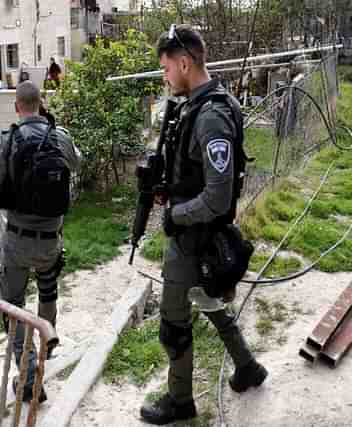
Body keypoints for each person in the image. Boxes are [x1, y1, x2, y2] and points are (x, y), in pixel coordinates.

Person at [139, 25, 268, 425]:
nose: (164, 76)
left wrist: (175, 214)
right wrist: (169, 189)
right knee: (207, 301)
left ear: (184, 62)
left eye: (165, 68)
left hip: (194, 237)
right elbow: (196, 175)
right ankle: (248, 366)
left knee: (173, 322)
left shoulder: (212, 115)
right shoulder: (197, 102)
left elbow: (216, 195)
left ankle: (180, 403)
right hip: (195, 235)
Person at [0, 80, 81, 403]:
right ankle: (47, 342)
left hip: (17, 244)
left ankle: (30, 376)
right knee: (48, 291)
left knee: (13, 307)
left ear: (17, 107)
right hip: (50, 243)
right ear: (41, 103)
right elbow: (78, 162)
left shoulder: (9, 140)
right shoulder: (59, 136)